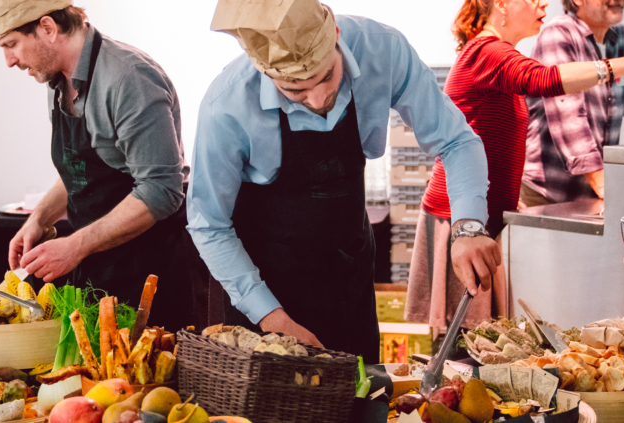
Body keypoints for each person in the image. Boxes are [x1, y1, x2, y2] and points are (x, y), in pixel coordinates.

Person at [190, 0, 501, 361]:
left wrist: (468, 227)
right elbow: (209, 225)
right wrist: (273, 319)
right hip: (265, 286)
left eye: (326, 76)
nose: (320, 98)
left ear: (336, 36)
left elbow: (456, 139)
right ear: (268, 76)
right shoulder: (226, 106)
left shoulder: (381, 49)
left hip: (348, 273)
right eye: (296, 92)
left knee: (362, 399)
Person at [408, 0, 624, 334]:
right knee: (463, 345)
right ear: (501, 5)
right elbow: (543, 79)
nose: (543, 3)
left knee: (483, 342)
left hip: (486, 217)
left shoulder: (499, 52)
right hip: (459, 220)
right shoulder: (485, 51)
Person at [0, 0, 200, 330]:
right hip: (94, 271)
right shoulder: (57, 81)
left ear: (48, 28)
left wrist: (75, 245)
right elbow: (80, 168)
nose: (9, 61)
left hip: (147, 274)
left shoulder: (130, 78)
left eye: (11, 45)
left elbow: (161, 192)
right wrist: (39, 219)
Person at [520, 0, 624, 207]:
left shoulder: (622, 38)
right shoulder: (558, 32)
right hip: (546, 194)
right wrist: (600, 181)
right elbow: (568, 115)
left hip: (590, 193)